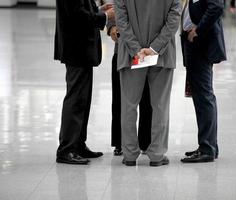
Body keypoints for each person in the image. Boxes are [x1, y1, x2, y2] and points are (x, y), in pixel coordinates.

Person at [115, 0, 181, 167]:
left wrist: (137, 50)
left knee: (129, 106)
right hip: (163, 55)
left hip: (132, 56)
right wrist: (154, 48)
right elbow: (174, 19)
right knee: (160, 106)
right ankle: (157, 154)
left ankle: (129, 154)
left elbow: (121, 20)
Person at [54, 0, 114, 165]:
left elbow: (81, 8)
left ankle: (78, 143)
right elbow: (77, 16)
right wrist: (104, 16)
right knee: (76, 99)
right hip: (76, 47)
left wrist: (98, 9)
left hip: (81, 48)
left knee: (83, 99)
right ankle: (67, 149)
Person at [180, 0, 226, 163]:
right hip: (193, 44)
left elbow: (217, 6)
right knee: (201, 97)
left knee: (204, 97)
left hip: (200, 44)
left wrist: (199, 29)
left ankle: (207, 148)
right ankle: (209, 145)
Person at [106, 11, 152, 156]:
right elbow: (113, 8)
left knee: (147, 98)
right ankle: (121, 142)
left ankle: (146, 141)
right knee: (120, 98)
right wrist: (111, 27)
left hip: (146, 49)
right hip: (122, 51)